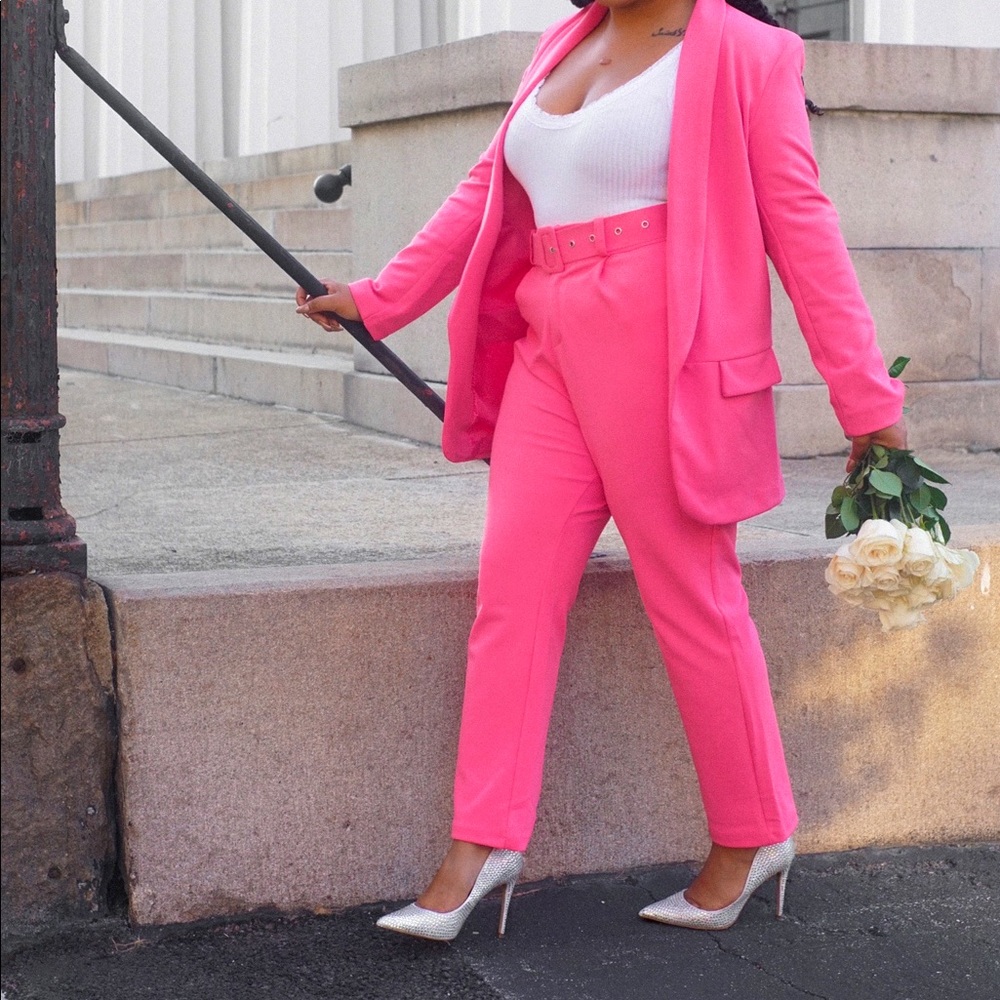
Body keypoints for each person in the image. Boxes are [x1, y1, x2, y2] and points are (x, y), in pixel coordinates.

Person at [296, 0, 907, 941]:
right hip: (550, 340)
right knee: (513, 590)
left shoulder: (751, 55)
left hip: (665, 354)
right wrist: (382, 297)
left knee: (693, 595)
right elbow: (487, 189)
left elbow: (803, 226)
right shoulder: (567, 39)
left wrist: (867, 402)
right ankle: (481, 846)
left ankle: (753, 835)